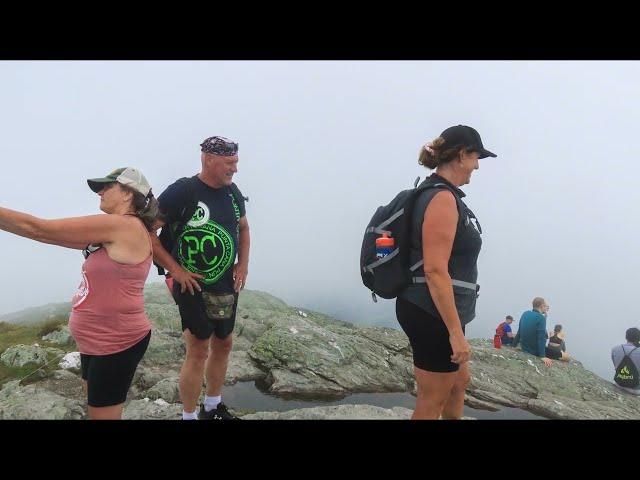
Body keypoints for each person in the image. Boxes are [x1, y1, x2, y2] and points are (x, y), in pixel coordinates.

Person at [0, 167, 158, 419]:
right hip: (96, 341)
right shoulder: (113, 231)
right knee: (95, 406)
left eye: (107, 187)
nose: (100, 192)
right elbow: (46, 237)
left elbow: (39, 229)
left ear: (128, 194)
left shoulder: (123, 226)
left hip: (115, 342)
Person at [396, 124, 496, 420]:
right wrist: (455, 333)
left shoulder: (442, 194)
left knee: (459, 381)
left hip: (440, 308)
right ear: (462, 155)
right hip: (430, 309)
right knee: (432, 399)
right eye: (476, 157)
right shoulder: (441, 199)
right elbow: (435, 270)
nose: (477, 166)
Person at [151, 136, 250, 420]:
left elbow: (243, 228)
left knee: (225, 342)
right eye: (229, 163)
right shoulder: (182, 191)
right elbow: (148, 233)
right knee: (198, 347)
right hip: (190, 283)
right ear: (208, 159)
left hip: (225, 282)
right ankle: (189, 416)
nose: (235, 169)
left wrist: (242, 265)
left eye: (236, 162)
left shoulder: (232, 193)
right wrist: (176, 270)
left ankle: (212, 407)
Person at [512, 297, 554, 367]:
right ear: (541, 306)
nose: (547, 308)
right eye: (546, 306)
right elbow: (541, 338)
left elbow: (519, 332)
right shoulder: (541, 318)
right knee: (566, 356)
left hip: (525, 348)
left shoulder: (525, 313)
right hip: (535, 351)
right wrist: (542, 356)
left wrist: (513, 346)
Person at [611, 327, 640, 395]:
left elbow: (616, 366)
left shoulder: (615, 349)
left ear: (626, 337)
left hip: (618, 384)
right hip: (635, 390)